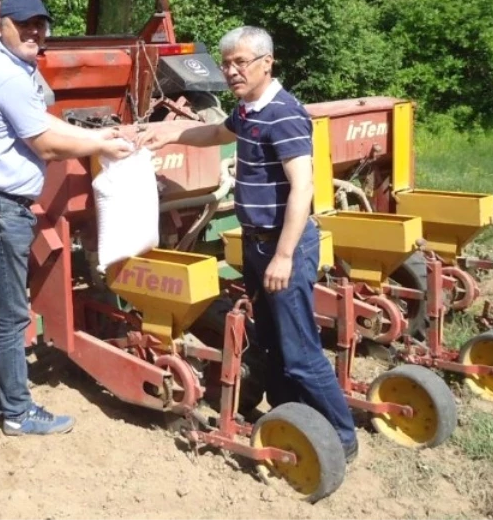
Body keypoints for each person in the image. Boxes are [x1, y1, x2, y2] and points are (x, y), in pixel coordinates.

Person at [130, 25, 359, 462]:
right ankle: (294, 418)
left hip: (282, 247)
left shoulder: (284, 114)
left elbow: (303, 188)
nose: (232, 71)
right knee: (271, 343)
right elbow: (217, 135)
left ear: (266, 64)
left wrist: (285, 256)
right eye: (227, 63)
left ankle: (342, 438)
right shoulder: (250, 109)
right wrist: (170, 133)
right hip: (258, 246)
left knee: (300, 351)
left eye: (241, 63)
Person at [0, 0, 134, 437]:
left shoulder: (10, 67)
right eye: (24, 23)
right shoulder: (9, 75)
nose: (34, 31)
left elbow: (46, 123)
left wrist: (98, 134)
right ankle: (17, 412)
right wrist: (103, 145)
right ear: (3, 25)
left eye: (40, 24)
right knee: (12, 314)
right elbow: (47, 144)